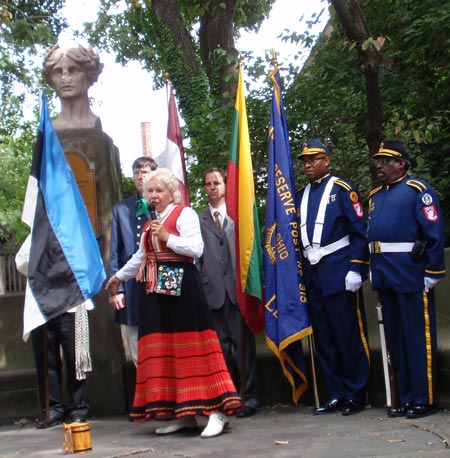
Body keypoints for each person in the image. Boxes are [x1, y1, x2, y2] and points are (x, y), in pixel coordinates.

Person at [105, 168, 241, 439]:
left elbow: (196, 249)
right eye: (150, 191)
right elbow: (140, 256)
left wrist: (169, 238)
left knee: (193, 349)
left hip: (183, 288)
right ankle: (186, 415)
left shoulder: (185, 214)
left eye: (159, 191)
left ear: (171, 193)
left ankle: (216, 413)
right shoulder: (150, 222)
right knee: (168, 350)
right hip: (155, 291)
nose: (153, 195)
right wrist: (118, 277)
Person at [368, 140, 446, 419]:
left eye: (386, 161)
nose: (380, 165)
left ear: (402, 164)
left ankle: (422, 399)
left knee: (416, 339)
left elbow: (433, 232)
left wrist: (432, 272)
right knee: (396, 341)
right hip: (385, 276)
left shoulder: (418, 191)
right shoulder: (375, 195)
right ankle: (403, 396)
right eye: (379, 161)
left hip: (411, 275)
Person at [295, 138, 370, 416]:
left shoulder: (342, 190)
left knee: (347, 335)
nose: (308, 164)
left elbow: (359, 231)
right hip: (313, 277)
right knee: (324, 339)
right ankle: (336, 393)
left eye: (313, 159)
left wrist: (356, 268)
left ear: (326, 160)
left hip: (339, 273)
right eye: (304, 160)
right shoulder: (300, 194)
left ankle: (356, 394)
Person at [197, 168, 260, 418]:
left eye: (217, 182)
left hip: (238, 293)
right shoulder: (199, 219)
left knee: (244, 350)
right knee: (220, 352)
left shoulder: (238, 216)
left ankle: (250, 398)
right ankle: (228, 398)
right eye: (208, 183)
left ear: (225, 184)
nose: (213, 187)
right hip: (212, 294)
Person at [15, 237, 92, 429]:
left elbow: (86, 262)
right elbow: (22, 263)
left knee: (76, 358)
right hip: (43, 304)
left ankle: (77, 409)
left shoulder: (72, 233)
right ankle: (52, 409)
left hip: (72, 301)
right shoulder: (36, 235)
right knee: (46, 360)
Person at [109, 156, 157, 366]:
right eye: (136, 172)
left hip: (158, 282)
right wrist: (116, 290)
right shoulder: (121, 209)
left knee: (161, 339)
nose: (139, 176)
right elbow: (115, 251)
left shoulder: (163, 205)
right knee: (136, 345)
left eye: (144, 172)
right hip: (130, 286)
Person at [43, 44, 104, 130]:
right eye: (58, 72)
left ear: (89, 75)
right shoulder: (48, 132)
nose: (65, 78)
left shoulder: (94, 124)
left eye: (73, 70)